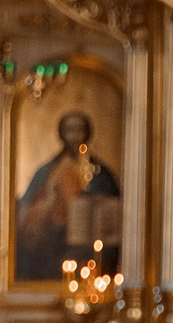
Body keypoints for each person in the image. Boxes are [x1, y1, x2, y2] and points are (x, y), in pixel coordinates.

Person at [14, 110, 121, 281]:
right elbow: (27, 209)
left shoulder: (101, 172)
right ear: (61, 134)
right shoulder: (48, 171)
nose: (74, 136)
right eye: (69, 130)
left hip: (92, 243)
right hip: (56, 239)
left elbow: (116, 206)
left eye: (79, 130)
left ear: (87, 134)